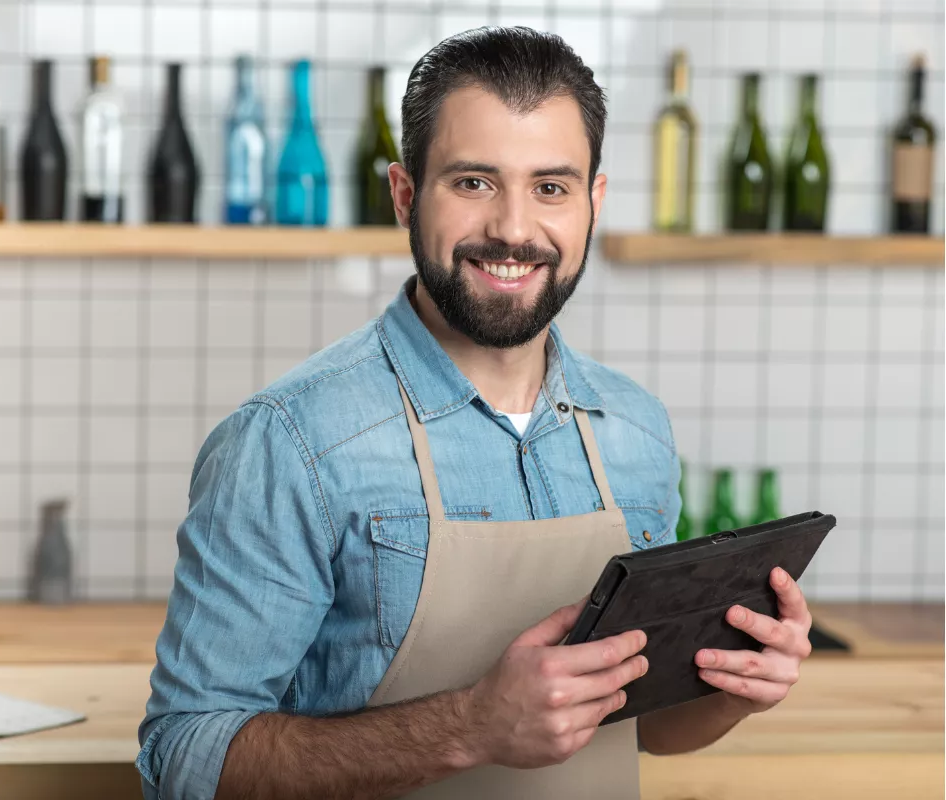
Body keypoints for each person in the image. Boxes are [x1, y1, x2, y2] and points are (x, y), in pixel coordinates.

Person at [136, 26, 814, 800]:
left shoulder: (635, 431)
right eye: (474, 183)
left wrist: (734, 685)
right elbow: (183, 760)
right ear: (403, 194)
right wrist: (471, 726)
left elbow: (646, 726)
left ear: (593, 202)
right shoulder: (290, 442)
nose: (514, 230)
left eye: (550, 187)